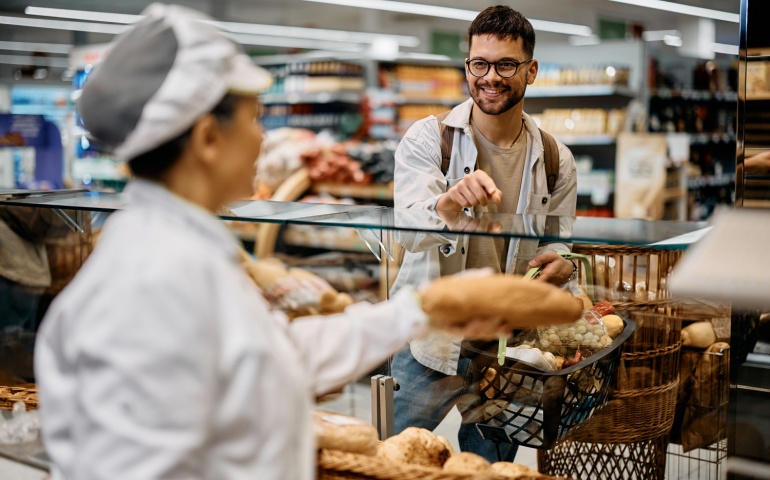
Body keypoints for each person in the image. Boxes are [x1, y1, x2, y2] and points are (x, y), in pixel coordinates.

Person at [32, 5, 514, 480]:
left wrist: (422, 308)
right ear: (206, 138)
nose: (264, 139)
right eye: (254, 118)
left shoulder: (169, 246)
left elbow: (273, 355)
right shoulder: (161, 271)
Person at [390, 5, 578, 461]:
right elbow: (409, 233)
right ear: (467, 66)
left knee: (489, 470)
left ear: (531, 70)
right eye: (479, 63)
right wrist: (448, 203)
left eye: (506, 64)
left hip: (505, 349)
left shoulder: (557, 159)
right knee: (390, 461)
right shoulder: (428, 139)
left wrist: (561, 261)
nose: (490, 77)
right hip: (426, 339)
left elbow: (558, 239)